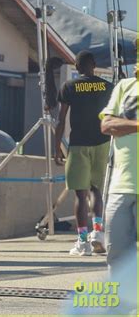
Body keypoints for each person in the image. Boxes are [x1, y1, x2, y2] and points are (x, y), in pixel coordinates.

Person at [54, 51, 113, 256]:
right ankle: (97, 233)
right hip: (102, 143)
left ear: (77, 68)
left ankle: (82, 241)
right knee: (97, 189)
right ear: (94, 65)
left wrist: (56, 147)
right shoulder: (107, 87)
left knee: (80, 193)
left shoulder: (69, 87)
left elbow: (61, 119)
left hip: (78, 144)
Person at [99, 67, 137, 277]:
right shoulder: (124, 87)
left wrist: (125, 126)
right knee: (116, 253)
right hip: (121, 186)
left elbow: (117, 125)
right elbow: (107, 124)